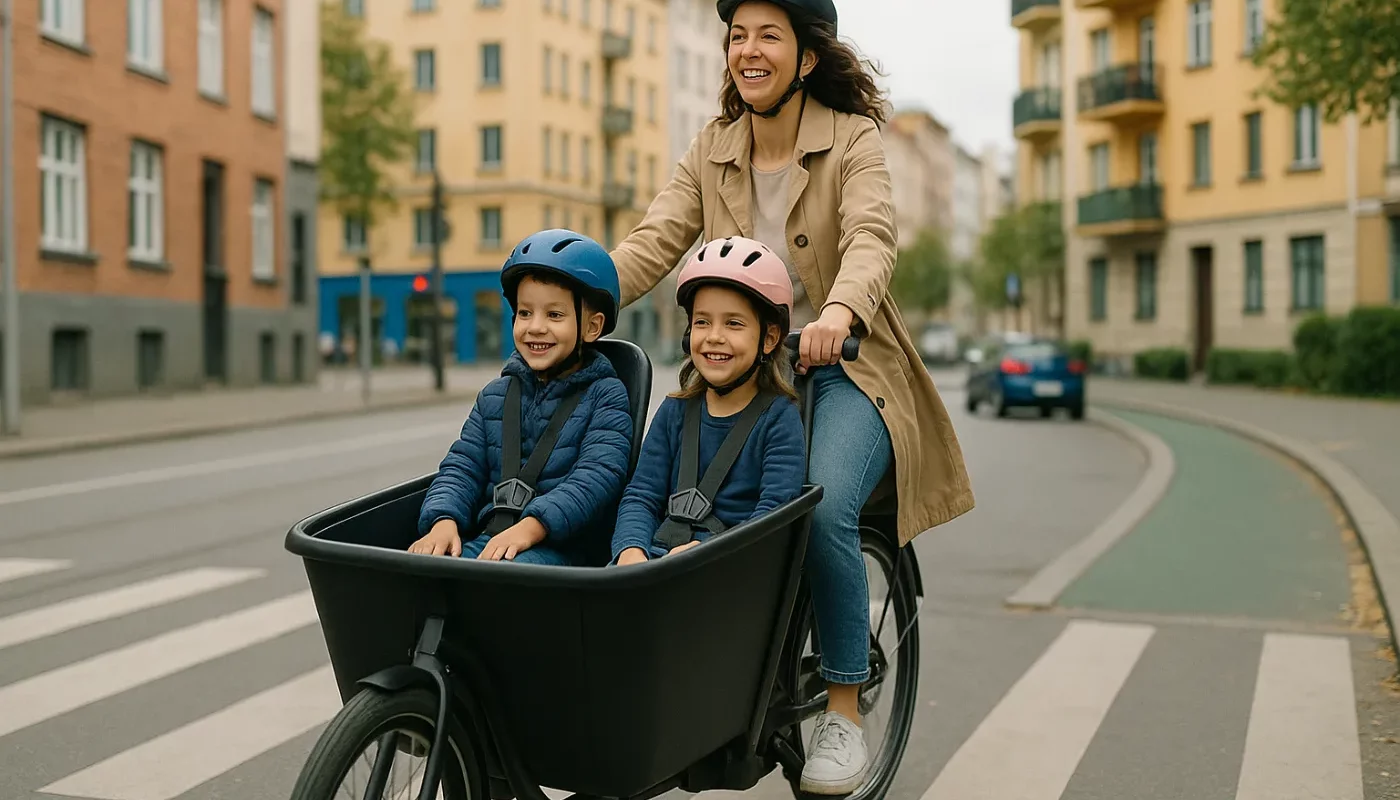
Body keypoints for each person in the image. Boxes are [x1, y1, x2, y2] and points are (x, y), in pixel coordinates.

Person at [607, 0, 976, 793]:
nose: (748, 50)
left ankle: (841, 709)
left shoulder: (854, 140)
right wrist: (570, 292)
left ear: (806, 58)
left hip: (846, 368)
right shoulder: (713, 148)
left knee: (820, 504)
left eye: (768, 35)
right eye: (738, 35)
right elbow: (653, 239)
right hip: (746, 371)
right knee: (678, 501)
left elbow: (873, 237)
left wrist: (839, 312)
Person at [409, 229, 634, 566]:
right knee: (416, 572)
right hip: (492, 540)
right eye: (525, 313)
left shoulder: (606, 396)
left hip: (562, 550)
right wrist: (444, 521)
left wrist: (531, 528)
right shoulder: (495, 396)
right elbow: (463, 467)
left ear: (592, 327)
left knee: (497, 584)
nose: (535, 327)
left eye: (554, 315)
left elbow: (597, 476)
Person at [611, 236, 805, 565]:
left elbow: (772, 518)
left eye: (733, 323)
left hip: (726, 570)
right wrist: (631, 551)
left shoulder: (778, 420)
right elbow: (641, 496)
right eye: (702, 322)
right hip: (657, 563)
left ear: (769, 338)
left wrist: (705, 555)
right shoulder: (674, 412)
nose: (714, 336)